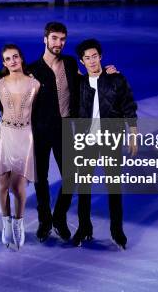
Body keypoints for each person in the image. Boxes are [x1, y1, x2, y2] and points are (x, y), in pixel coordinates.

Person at [28, 22, 119, 243]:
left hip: (65, 128)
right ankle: (44, 221)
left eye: (62, 39)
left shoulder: (69, 63)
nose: (58, 43)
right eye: (54, 39)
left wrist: (107, 73)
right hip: (40, 130)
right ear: (45, 39)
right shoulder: (33, 69)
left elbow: (88, 81)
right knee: (41, 178)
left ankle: (59, 217)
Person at [74, 39, 138, 250]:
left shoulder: (115, 79)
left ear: (100, 56)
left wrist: (133, 133)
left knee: (113, 186)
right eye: (87, 58)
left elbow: (128, 105)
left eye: (94, 56)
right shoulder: (80, 83)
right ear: (82, 62)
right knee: (83, 187)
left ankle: (117, 231)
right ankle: (84, 228)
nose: (91, 61)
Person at [0, 44, 40, 250]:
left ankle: (18, 224)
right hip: (5, 134)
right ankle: (6, 224)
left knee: (19, 187)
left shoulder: (35, 84)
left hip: (25, 136)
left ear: (21, 58)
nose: (12, 61)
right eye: (8, 59)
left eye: (15, 57)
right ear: (4, 63)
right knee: (3, 183)